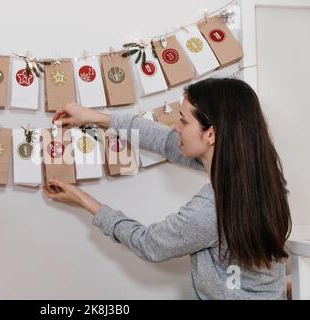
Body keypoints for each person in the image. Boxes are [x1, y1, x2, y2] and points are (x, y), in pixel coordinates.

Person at [43, 78, 291, 299]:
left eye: (184, 120)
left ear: (211, 135)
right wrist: (94, 117)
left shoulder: (210, 211)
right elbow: (162, 140)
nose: (176, 127)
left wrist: (83, 199)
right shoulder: (264, 176)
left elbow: (148, 243)